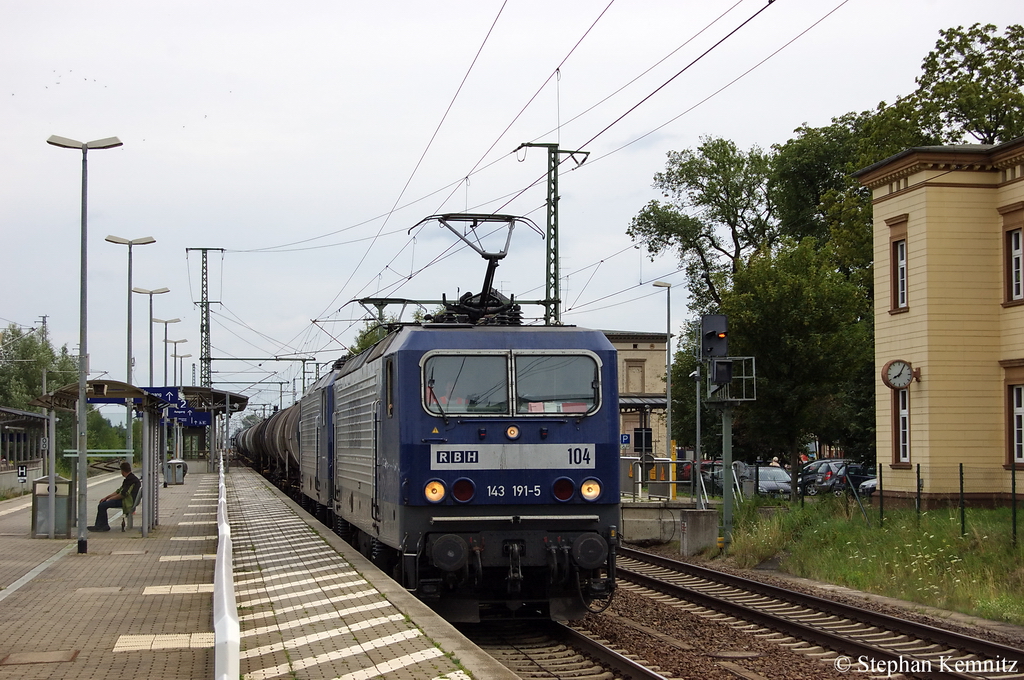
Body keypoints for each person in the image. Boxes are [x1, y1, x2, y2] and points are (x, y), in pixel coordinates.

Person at [88, 462, 141, 532]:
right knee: (103, 503)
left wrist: (110, 499)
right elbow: (118, 491)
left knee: (102, 506)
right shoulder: (130, 478)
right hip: (126, 500)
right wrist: (106, 497)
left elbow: (123, 494)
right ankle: (100, 525)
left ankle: (102, 526)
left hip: (126, 502)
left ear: (122, 471)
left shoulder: (131, 480)